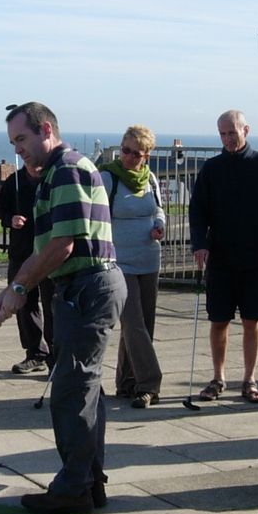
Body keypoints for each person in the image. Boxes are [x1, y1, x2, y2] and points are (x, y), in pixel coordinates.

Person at [0, 102, 127, 514]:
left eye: (22, 139)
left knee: (71, 393)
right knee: (83, 390)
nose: (19, 150)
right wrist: (14, 289)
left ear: (45, 129)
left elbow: (62, 243)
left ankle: (74, 488)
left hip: (87, 287)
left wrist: (18, 287)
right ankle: (88, 482)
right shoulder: (56, 171)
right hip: (84, 287)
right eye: (14, 142)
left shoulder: (66, 168)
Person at [188, 109, 258, 404]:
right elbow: (197, 209)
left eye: (232, 132)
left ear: (246, 130)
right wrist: (199, 244)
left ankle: (249, 378)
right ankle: (218, 377)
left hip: (256, 258)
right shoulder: (212, 168)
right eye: (223, 134)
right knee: (219, 320)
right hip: (221, 257)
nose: (228, 138)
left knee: (252, 320)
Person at [100, 125, 166, 408]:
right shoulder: (107, 178)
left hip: (149, 258)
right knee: (133, 323)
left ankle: (127, 383)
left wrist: (160, 224)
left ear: (146, 155)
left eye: (135, 153)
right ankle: (150, 384)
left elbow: (159, 209)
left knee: (144, 325)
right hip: (118, 262)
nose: (128, 157)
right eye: (125, 150)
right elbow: (96, 216)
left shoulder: (149, 178)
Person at [0, 160, 53, 374]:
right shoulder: (14, 181)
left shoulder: (51, 179)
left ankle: (55, 355)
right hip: (21, 251)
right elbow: (1, 209)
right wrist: (11, 219)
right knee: (24, 304)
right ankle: (35, 352)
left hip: (47, 252)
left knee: (51, 303)